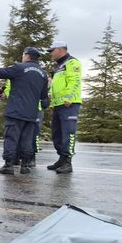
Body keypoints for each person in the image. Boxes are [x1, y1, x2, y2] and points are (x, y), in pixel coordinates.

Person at [0, 47, 49, 175]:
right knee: (27, 139)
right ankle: (25, 166)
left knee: (11, 138)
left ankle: (8, 165)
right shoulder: (43, 74)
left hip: (16, 111)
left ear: (27, 56)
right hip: (31, 113)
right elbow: (44, 95)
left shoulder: (19, 68)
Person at [46, 40, 82, 174]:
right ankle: (61, 158)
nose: (50, 54)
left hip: (69, 104)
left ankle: (68, 162)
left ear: (60, 50)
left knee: (68, 133)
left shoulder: (72, 63)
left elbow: (75, 81)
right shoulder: (59, 66)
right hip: (58, 105)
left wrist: (69, 98)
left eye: (52, 51)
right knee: (57, 134)